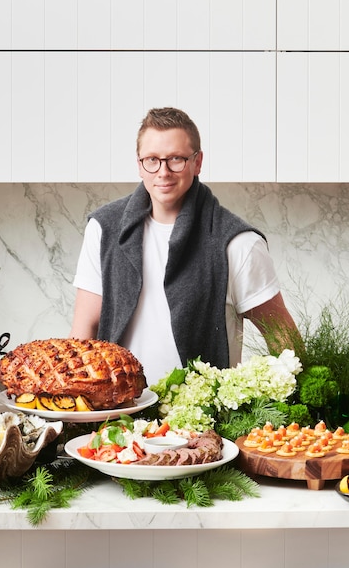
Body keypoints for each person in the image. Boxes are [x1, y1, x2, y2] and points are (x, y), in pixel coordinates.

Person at [70, 107, 301, 384]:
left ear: (198, 162)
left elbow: (283, 338)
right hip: (119, 412)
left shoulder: (238, 244)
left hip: (205, 422)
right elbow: (83, 332)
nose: (163, 172)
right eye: (152, 160)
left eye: (176, 159)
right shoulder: (103, 229)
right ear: (139, 163)